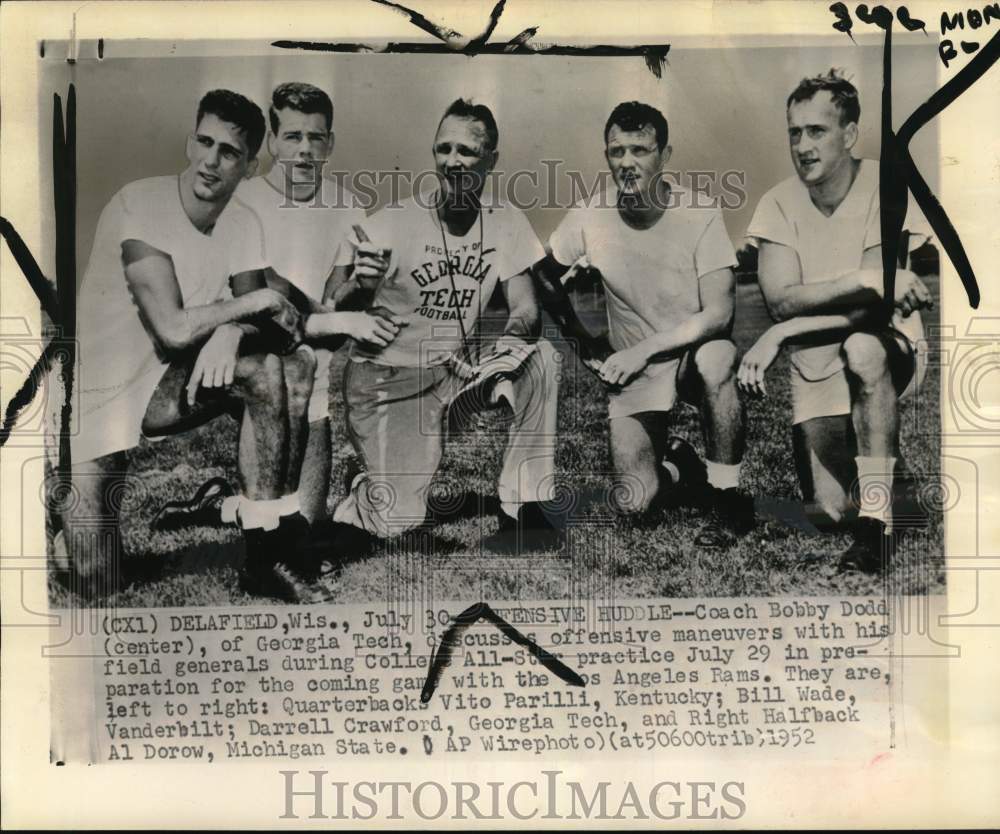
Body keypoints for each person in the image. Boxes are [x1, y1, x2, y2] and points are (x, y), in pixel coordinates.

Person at [61, 89, 321, 602]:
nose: (211, 160)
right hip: (100, 395)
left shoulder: (243, 222)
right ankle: (60, 522)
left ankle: (267, 549)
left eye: (229, 151)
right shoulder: (140, 204)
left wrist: (232, 331)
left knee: (278, 368)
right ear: (189, 140)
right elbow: (174, 328)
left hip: (167, 381)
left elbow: (266, 324)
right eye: (204, 142)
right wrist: (253, 306)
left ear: (249, 166)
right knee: (96, 582)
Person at [322, 98, 562, 557]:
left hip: (455, 377)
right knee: (398, 524)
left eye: (467, 152)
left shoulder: (506, 220)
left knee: (542, 359)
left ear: (491, 159)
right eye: (443, 149)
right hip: (386, 383)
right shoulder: (390, 222)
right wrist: (362, 283)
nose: (452, 162)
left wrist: (506, 347)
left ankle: (524, 507)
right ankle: (362, 489)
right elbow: (330, 312)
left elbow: (527, 308)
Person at [531, 101, 753, 546]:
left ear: (664, 156)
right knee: (634, 503)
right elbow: (539, 274)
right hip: (638, 373)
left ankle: (728, 499)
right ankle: (681, 468)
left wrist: (643, 350)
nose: (627, 163)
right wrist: (581, 339)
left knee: (718, 356)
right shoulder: (589, 215)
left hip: (689, 356)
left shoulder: (700, 212)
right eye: (617, 152)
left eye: (640, 150)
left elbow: (719, 314)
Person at [739, 69, 932, 572]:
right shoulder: (777, 203)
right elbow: (781, 301)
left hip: (886, 344)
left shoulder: (887, 182)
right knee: (828, 511)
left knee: (862, 349)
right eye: (794, 132)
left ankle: (879, 523)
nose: (802, 145)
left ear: (849, 134)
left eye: (816, 131)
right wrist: (865, 275)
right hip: (814, 356)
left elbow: (872, 313)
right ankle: (894, 477)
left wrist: (784, 331)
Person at [231, 82, 405, 524]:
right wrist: (339, 316)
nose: (305, 150)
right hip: (243, 346)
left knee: (307, 530)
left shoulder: (346, 206)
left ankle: (234, 508)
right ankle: (247, 513)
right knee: (280, 378)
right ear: (271, 141)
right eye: (292, 137)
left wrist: (367, 283)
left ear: (330, 143)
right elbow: (265, 293)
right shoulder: (243, 201)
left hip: (309, 347)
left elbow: (336, 300)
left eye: (315, 137)